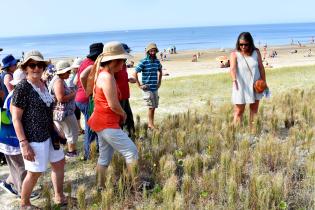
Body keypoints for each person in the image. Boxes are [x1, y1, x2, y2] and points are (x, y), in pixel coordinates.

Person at [11, 50, 66, 208]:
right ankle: (25, 203)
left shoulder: (42, 84)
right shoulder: (22, 88)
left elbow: (47, 111)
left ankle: (59, 196)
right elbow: (16, 118)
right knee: (34, 173)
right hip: (33, 138)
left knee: (59, 162)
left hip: (50, 134)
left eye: (40, 65)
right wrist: (24, 143)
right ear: (26, 68)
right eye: (32, 65)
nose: (36, 68)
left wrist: (56, 128)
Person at [87, 41, 138, 189]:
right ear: (115, 61)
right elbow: (113, 105)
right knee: (131, 152)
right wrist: (123, 114)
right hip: (106, 123)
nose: (124, 63)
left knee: (104, 158)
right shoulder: (107, 77)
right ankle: (135, 185)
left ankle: (100, 186)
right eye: (123, 60)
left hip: (100, 122)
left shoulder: (104, 74)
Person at [0, 69, 38, 198]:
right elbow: (16, 120)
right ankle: (23, 193)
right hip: (11, 139)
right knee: (21, 167)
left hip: (7, 137)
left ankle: (8, 183)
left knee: (16, 165)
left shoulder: (14, 94)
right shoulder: (15, 97)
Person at [230, 32, 267, 126]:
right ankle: (235, 132)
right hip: (240, 85)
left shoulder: (256, 52)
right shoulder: (235, 54)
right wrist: (234, 79)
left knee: (254, 110)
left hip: (256, 85)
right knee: (239, 111)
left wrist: (264, 82)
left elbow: (261, 67)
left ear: (250, 43)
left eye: (245, 44)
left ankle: (253, 130)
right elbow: (232, 68)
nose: (243, 46)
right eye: (240, 44)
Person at [75, 43, 103, 160]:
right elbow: (81, 77)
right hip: (86, 100)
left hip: (79, 98)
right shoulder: (92, 64)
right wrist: (88, 92)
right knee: (90, 127)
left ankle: (95, 149)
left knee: (93, 125)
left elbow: (76, 80)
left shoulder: (84, 62)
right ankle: (88, 155)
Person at [49, 60, 79, 158]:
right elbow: (60, 98)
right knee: (72, 131)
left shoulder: (58, 80)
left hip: (61, 113)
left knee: (68, 131)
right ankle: (71, 152)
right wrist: (74, 93)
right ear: (62, 72)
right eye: (68, 72)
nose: (69, 73)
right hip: (64, 113)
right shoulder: (58, 81)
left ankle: (69, 150)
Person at [133, 43, 163, 129]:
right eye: (151, 51)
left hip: (155, 87)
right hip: (147, 88)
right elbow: (135, 72)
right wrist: (139, 85)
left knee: (154, 107)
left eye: (154, 51)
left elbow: (160, 71)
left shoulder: (157, 61)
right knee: (151, 107)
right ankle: (151, 125)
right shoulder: (144, 61)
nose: (153, 52)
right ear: (148, 51)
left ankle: (151, 124)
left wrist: (159, 82)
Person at [114, 44, 136, 138]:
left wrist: (128, 79)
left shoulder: (123, 64)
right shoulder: (115, 65)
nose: (128, 53)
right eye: (127, 52)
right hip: (118, 96)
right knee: (121, 119)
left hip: (125, 95)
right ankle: (121, 138)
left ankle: (131, 135)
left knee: (128, 118)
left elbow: (121, 77)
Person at [66, 58, 84, 134]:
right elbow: (70, 87)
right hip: (74, 98)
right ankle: (78, 129)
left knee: (77, 114)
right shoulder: (73, 76)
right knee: (76, 114)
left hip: (75, 98)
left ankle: (79, 128)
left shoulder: (74, 75)